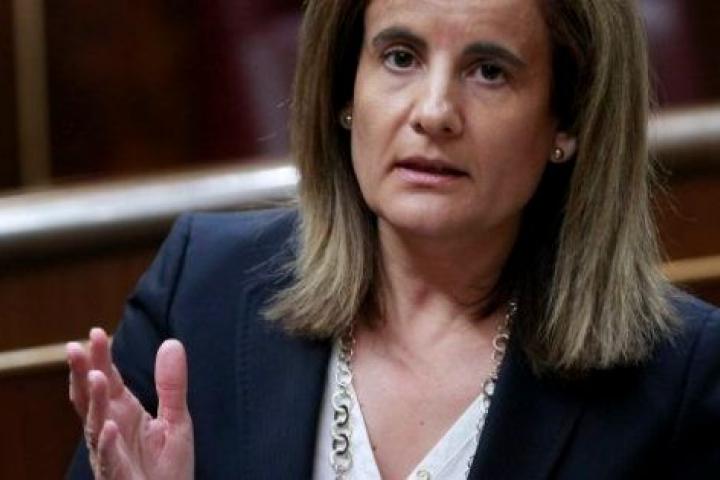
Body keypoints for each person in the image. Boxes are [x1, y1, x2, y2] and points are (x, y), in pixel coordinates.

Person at [67, 0, 720, 478]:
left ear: (567, 120)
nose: (434, 113)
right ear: (346, 89)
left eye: (489, 71)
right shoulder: (201, 290)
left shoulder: (678, 378)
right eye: (401, 57)